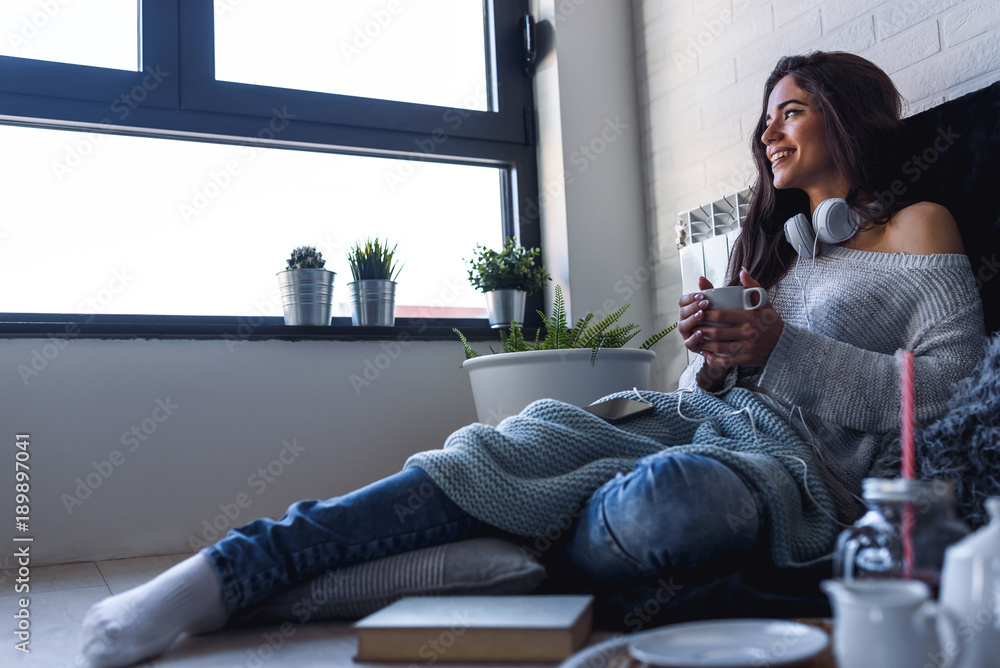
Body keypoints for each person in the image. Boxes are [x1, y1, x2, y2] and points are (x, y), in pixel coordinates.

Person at [78, 51, 987, 668]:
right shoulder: (781, 256)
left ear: (848, 114)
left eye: (789, 112)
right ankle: (233, 568)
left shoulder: (919, 228)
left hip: (793, 479)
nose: (770, 135)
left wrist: (784, 348)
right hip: (700, 425)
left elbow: (947, 393)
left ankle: (484, 551)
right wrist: (713, 361)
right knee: (519, 440)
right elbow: (706, 389)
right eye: (766, 122)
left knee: (676, 497)